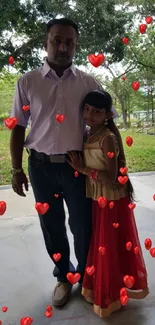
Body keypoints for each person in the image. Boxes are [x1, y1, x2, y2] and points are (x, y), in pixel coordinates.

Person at [10, 17, 124, 307]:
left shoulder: (87, 82)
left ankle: (87, 279)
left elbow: (108, 122)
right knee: (52, 224)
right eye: (56, 41)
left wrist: (117, 165)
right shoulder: (28, 81)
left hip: (76, 167)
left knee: (82, 224)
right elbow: (19, 126)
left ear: (76, 45)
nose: (62, 47)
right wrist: (16, 169)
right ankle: (64, 276)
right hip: (40, 166)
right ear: (46, 43)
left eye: (69, 42)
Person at [67, 90, 149, 318]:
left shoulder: (107, 138)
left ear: (106, 115)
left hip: (111, 198)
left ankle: (110, 295)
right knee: (101, 243)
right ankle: (103, 288)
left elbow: (112, 176)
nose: (89, 115)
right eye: (86, 109)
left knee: (108, 246)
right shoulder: (87, 134)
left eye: (96, 111)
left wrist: (82, 169)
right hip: (97, 196)